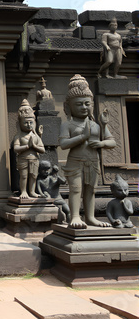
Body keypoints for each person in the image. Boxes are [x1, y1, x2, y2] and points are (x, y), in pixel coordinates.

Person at [59, 75, 116, 228]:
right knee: (76, 189)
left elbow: (112, 142)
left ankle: (90, 217)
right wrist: (82, 137)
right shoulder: (68, 125)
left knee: (90, 190)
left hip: (93, 162)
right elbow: (63, 144)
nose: (84, 107)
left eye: (87, 104)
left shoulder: (96, 125)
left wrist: (101, 141)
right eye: (79, 104)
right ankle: (75, 216)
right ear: (68, 106)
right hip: (76, 162)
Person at [13, 99, 45, 199]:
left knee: (33, 176)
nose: (29, 125)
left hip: (34, 159)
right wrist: (27, 147)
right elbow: (16, 148)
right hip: (23, 158)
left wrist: (34, 146)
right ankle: (23, 191)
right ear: (19, 123)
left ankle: (32, 191)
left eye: (31, 122)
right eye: (26, 123)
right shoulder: (19, 136)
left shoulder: (36, 136)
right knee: (24, 176)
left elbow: (42, 149)